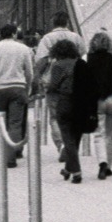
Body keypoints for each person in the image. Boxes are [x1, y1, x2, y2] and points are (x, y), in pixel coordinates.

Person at [41, 36, 96, 183]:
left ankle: (76, 171)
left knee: (67, 137)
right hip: (81, 104)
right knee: (75, 138)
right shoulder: (81, 63)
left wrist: (45, 85)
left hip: (65, 102)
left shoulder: (58, 65)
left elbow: (53, 85)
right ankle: (68, 169)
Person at [0, 23, 34, 169]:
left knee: (1, 123)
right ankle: (11, 156)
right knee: (15, 124)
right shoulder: (23, 49)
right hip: (18, 88)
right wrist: (27, 87)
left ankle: (1, 154)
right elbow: (29, 72)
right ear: (14, 34)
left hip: (0, 90)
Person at [35, 12, 85, 158]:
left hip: (53, 81)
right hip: (73, 81)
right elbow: (83, 57)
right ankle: (71, 144)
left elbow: (41, 61)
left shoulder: (47, 39)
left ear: (53, 23)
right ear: (67, 23)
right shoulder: (76, 37)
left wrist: (39, 78)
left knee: (55, 116)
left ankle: (61, 144)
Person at [86, 31, 112, 179]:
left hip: (96, 100)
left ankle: (102, 163)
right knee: (110, 134)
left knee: (98, 134)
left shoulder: (86, 58)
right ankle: (109, 165)